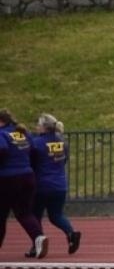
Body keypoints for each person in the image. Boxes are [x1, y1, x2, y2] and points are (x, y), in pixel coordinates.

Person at [1, 109, 48, 259]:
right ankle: (38, 237)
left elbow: (1, 149)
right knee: (24, 212)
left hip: (7, 179)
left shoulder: (1, 134)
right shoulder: (22, 132)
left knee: (1, 215)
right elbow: (33, 150)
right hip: (27, 176)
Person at [31, 114, 80, 254]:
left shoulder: (37, 143)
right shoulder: (62, 141)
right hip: (60, 184)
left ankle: (37, 244)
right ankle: (71, 233)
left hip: (41, 185)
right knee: (56, 215)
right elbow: (64, 160)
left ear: (44, 127)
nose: (36, 127)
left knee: (35, 215)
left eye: (38, 125)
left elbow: (32, 162)